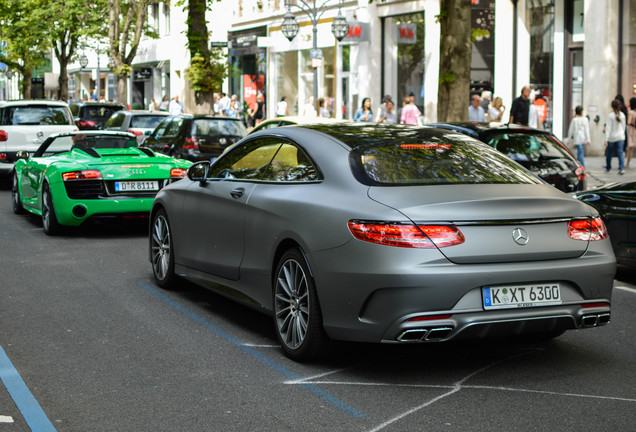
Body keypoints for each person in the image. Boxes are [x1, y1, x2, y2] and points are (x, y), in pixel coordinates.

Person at [604, 98, 627, 175]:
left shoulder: (610, 116)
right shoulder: (622, 115)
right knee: (620, 152)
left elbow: (608, 128)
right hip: (620, 137)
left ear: (612, 107)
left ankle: (608, 167)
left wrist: (606, 139)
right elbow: (624, 127)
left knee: (609, 153)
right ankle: (621, 168)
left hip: (612, 137)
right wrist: (623, 134)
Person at [626, 97, 636, 169]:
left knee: (631, 148)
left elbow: (629, 122)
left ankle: (627, 164)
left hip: (631, 131)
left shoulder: (631, 112)